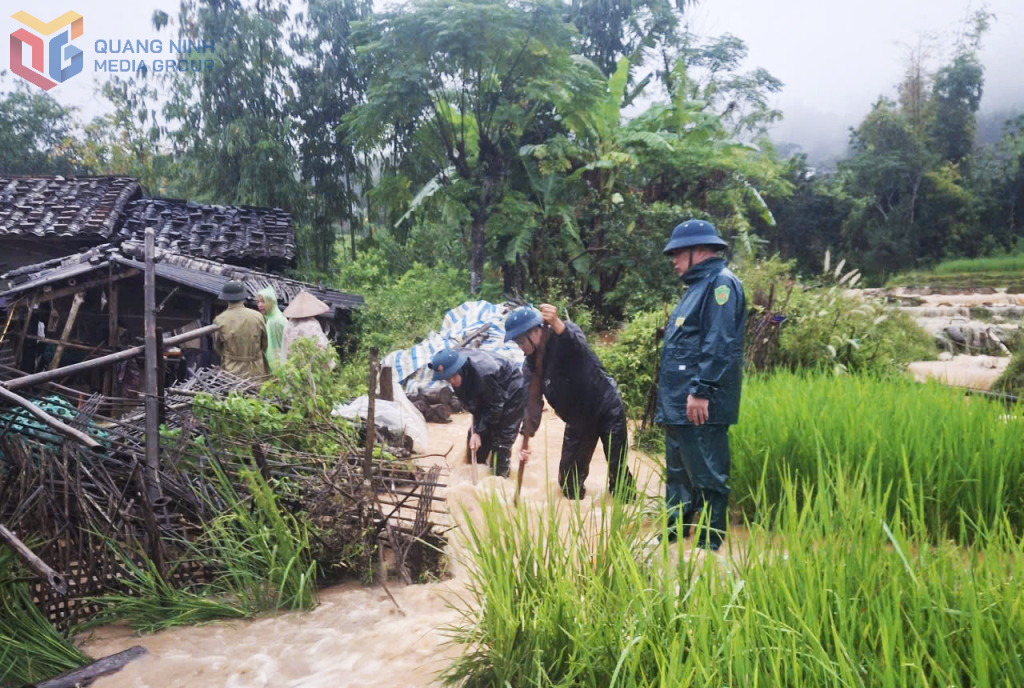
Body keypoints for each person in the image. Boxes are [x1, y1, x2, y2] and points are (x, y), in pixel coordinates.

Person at [656, 219, 746, 551]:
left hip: (700, 403)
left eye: (679, 253)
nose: (675, 261)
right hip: (680, 403)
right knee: (678, 475)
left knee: (708, 474)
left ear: (701, 251)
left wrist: (702, 390)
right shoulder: (696, 289)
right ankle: (674, 535)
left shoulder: (720, 284)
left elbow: (719, 342)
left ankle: (709, 546)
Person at [505, 304, 637, 501]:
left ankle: (624, 511)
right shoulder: (532, 365)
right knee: (568, 482)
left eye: (519, 341)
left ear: (534, 332)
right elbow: (531, 401)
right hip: (578, 419)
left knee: (618, 471)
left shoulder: (565, 332)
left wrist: (557, 324)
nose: (519, 347)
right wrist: (526, 435)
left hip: (605, 406)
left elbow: (580, 349)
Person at [427, 347, 526, 478]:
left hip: (513, 390)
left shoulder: (484, 375)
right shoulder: (457, 368)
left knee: (501, 442)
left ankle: (499, 481)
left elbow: (495, 406)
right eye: (447, 378)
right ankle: (475, 476)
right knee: (473, 439)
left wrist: (479, 431)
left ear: (459, 369)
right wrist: (477, 431)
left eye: (453, 376)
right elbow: (475, 405)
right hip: (491, 393)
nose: (451, 382)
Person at [213, 280, 270, 380]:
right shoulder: (258, 316)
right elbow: (264, 344)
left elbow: (218, 347)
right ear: (243, 297)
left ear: (226, 298)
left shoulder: (220, 320)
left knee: (233, 395)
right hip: (256, 370)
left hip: (232, 372)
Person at [280, 290, 331, 365]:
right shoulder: (312, 324)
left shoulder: (289, 324)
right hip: (309, 364)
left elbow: (286, 349)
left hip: (292, 365)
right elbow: (322, 348)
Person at [256, 286, 288, 370]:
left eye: (263, 301)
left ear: (271, 302)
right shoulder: (270, 319)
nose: (260, 305)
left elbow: (277, 348)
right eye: (258, 302)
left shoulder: (276, 321)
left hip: (278, 367)